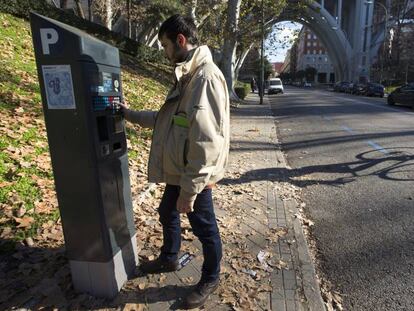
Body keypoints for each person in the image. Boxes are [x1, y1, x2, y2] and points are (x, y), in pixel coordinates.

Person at [120, 14, 230, 309]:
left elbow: (207, 142)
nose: (165, 52)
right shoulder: (188, 75)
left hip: (195, 176)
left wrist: (190, 190)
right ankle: (169, 258)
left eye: (166, 45)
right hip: (180, 172)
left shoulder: (204, 78)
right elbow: (165, 121)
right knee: (166, 210)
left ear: (181, 41)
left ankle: (210, 276)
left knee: (205, 228)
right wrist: (128, 113)